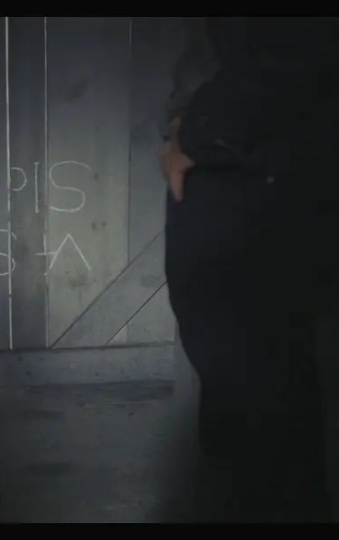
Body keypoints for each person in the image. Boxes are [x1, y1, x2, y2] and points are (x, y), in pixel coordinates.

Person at [160, 17, 339, 521]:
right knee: (251, 404)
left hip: (264, 162)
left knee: (265, 402)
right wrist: (185, 125)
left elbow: (293, 50)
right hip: (245, 153)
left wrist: (197, 131)